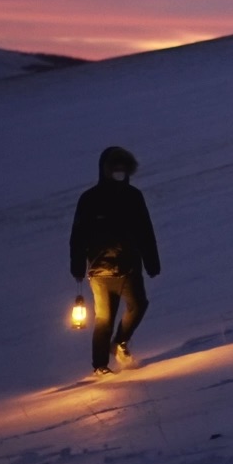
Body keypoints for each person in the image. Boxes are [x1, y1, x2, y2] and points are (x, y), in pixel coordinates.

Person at [69, 145, 161, 375]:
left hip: (129, 267)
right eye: (114, 168)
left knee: (139, 305)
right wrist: (78, 265)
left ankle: (119, 342)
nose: (119, 173)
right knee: (104, 320)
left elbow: (145, 231)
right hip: (101, 272)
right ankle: (100, 366)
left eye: (122, 169)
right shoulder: (89, 199)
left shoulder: (133, 196)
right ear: (105, 170)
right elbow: (78, 235)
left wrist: (151, 261)